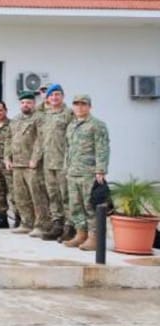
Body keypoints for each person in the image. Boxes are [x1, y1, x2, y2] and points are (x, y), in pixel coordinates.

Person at [63, 94, 110, 251]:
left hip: (89, 172)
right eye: (76, 104)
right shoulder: (71, 125)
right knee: (75, 206)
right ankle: (80, 234)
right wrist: (66, 168)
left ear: (89, 106)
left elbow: (102, 148)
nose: (79, 107)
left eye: (83, 104)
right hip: (73, 172)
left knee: (90, 206)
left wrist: (101, 170)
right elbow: (68, 149)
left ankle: (94, 238)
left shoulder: (97, 125)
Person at [5, 91, 50, 237]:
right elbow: (9, 139)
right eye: (23, 103)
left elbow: (41, 140)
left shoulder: (39, 118)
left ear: (34, 104)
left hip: (32, 164)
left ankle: (41, 225)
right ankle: (26, 223)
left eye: (29, 102)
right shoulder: (15, 120)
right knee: (21, 196)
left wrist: (35, 158)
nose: (25, 105)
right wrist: (7, 158)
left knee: (37, 196)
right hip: (17, 163)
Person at [36, 84, 75, 242]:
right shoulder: (45, 115)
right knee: (53, 195)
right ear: (47, 98)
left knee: (66, 195)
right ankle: (57, 224)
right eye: (51, 95)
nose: (54, 97)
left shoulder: (69, 114)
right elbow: (41, 139)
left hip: (63, 162)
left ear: (63, 96)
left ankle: (70, 226)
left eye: (57, 94)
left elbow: (74, 138)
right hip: (48, 162)